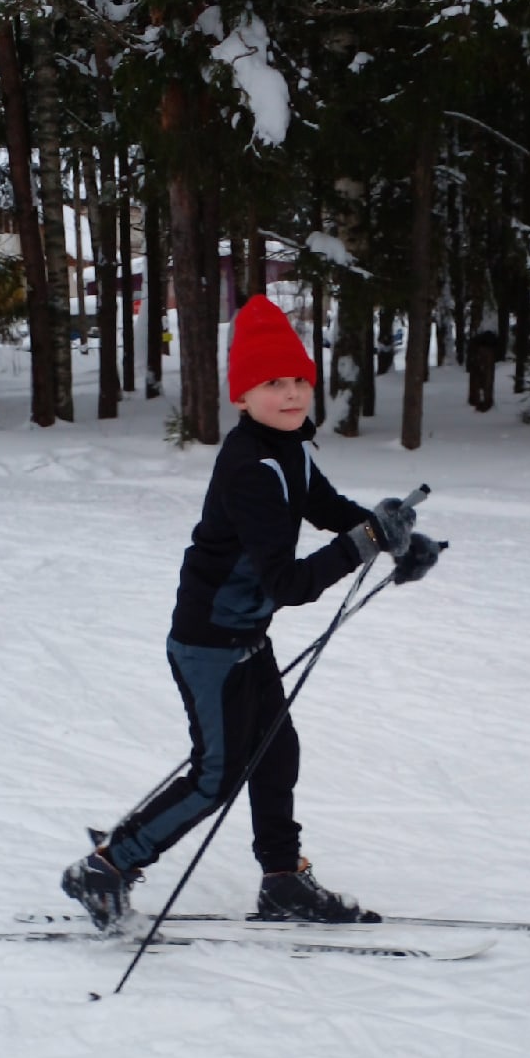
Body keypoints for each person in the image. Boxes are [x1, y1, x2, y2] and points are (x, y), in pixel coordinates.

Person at [61, 294, 442, 933]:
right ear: (242, 396)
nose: (291, 394)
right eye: (273, 383)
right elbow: (289, 582)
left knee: (274, 753)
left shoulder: (289, 447)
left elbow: (328, 507)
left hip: (246, 637)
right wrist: (369, 543)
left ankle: (283, 881)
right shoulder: (250, 467)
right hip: (209, 643)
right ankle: (107, 869)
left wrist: (393, 532)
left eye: (298, 380)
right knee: (215, 776)